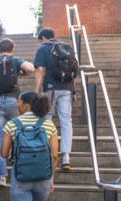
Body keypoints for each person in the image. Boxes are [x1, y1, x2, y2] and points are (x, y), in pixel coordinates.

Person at [0, 38, 35, 186]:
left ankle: (1, 177)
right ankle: (20, 170)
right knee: (17, 133)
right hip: (14, 101)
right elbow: (31, 68)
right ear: (13, 49)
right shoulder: (14, 60)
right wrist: (21, 74)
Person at [1, 91, 58, 201]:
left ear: (26, 105)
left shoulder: (12, 124)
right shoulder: (48, 124)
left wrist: (15, 154)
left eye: (19, 102)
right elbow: (54, 156)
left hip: (21, 175)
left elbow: (3, 153)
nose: (17, 105)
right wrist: (51, 177)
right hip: (44, 177)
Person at [33, 27, 73, 170]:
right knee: (66, 121)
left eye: (39, 40)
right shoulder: (66, 46)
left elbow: (40, 70)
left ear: (43, 38)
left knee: (47, 118)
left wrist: (35, 92)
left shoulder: (43, 48)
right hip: (67, 88)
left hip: (50, 87)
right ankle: (66, 157)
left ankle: (47, 153)